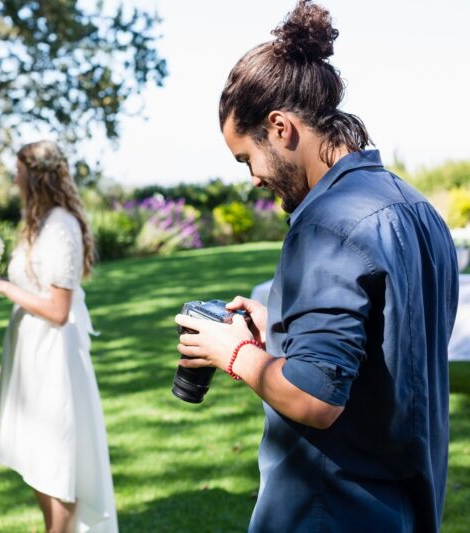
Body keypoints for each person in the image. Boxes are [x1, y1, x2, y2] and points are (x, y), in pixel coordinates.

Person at [175, 2, 458, 532]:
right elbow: (388, 349)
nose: (254, 179)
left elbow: (314, 396)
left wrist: (231, 353)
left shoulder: (326, 225)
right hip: (407, 506)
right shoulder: (417, 208)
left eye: (246, 159)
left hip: (330, 510)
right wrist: (280, 324)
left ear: (280, 128)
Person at [0, 141, 118, 533]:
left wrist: (1, 289)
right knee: (37, 461)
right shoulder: (36, 223)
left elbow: (58, 309)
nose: (14, 177)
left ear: (34, 176)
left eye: (18, 170)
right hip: (31, 356)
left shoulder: (61, 226)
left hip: (54, 358)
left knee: (57, 462)